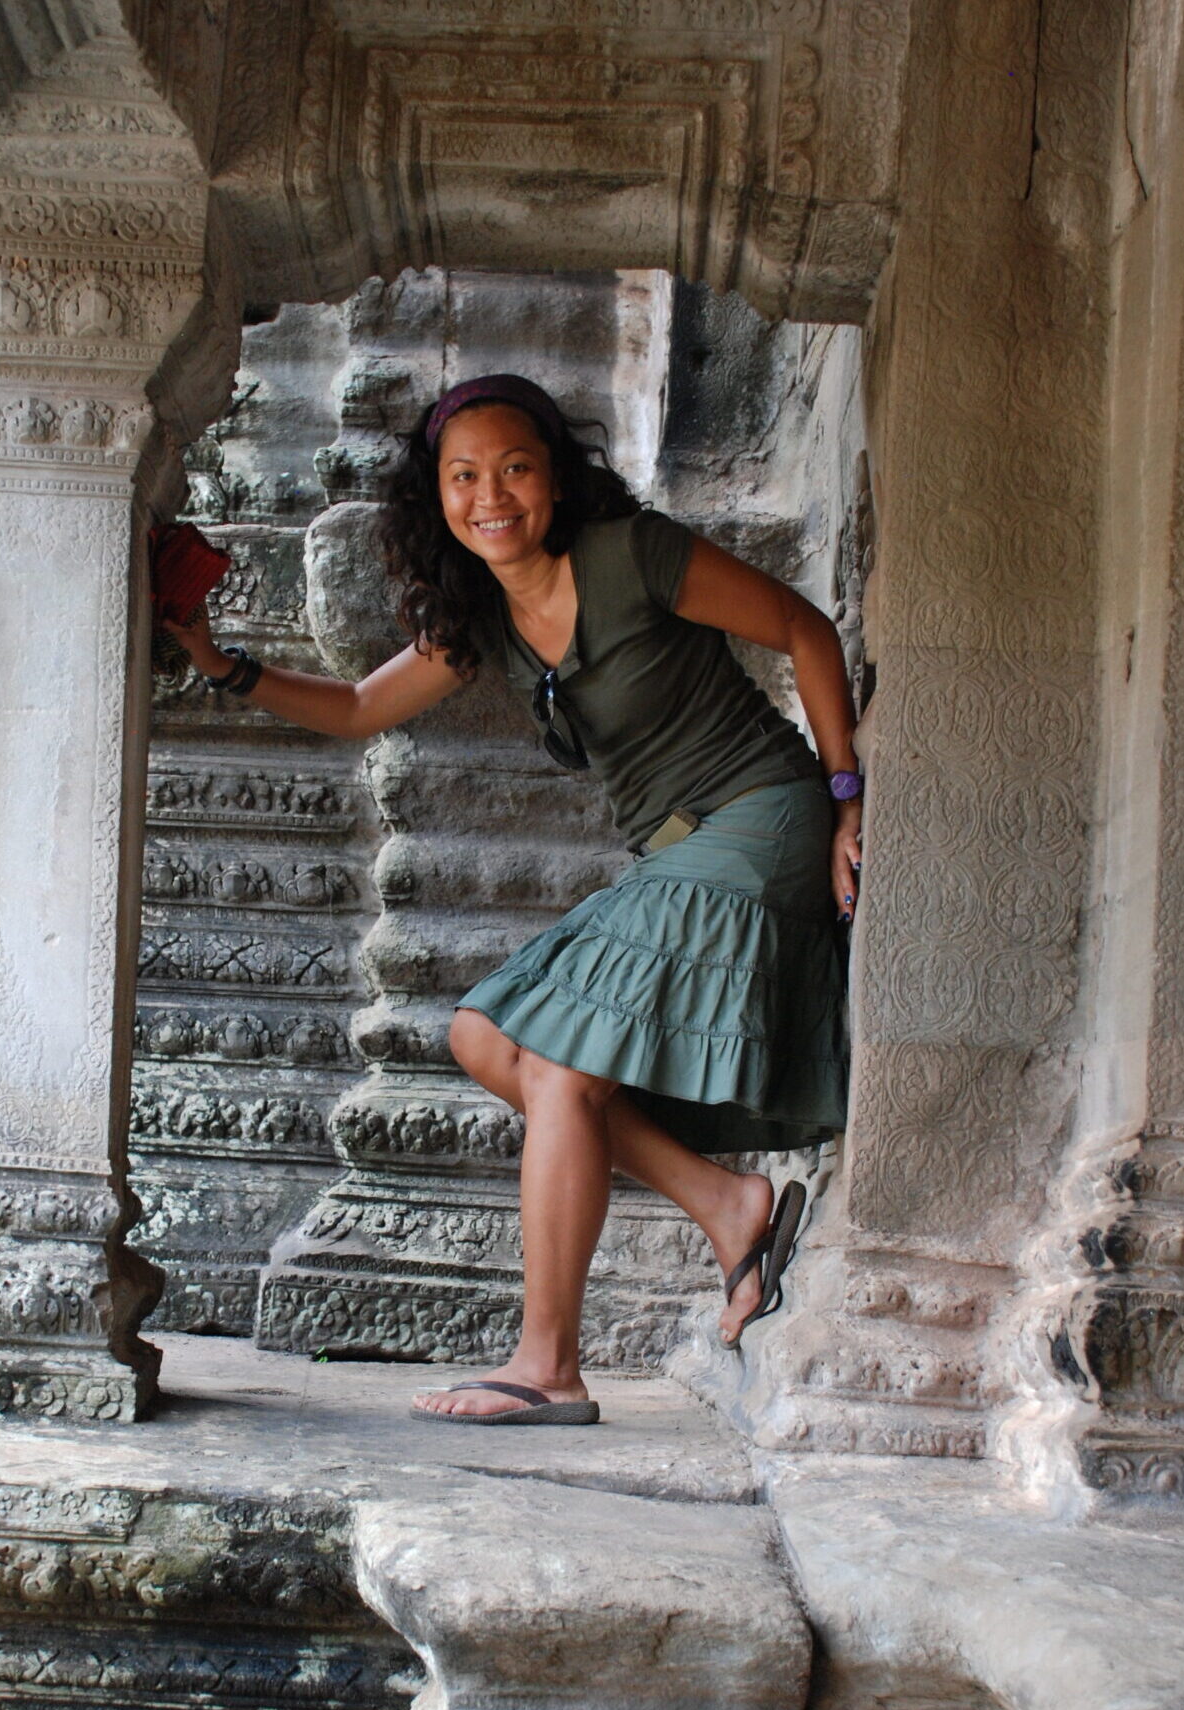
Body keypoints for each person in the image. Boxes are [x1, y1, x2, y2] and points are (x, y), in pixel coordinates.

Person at [166, 373, 859, 1426]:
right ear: (435, 498)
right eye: (463, 477)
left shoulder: (632, 554)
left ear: (555, 478)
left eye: (515, 468)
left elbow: (805, 629)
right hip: (678, 851)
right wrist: (220, 662)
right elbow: (358, 707)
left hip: (760, 819)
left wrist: (846, 794)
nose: (492, 495)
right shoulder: (485, 616)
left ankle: (548, 1365)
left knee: (564, 1063)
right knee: (486, 1037)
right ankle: (729, 1202)